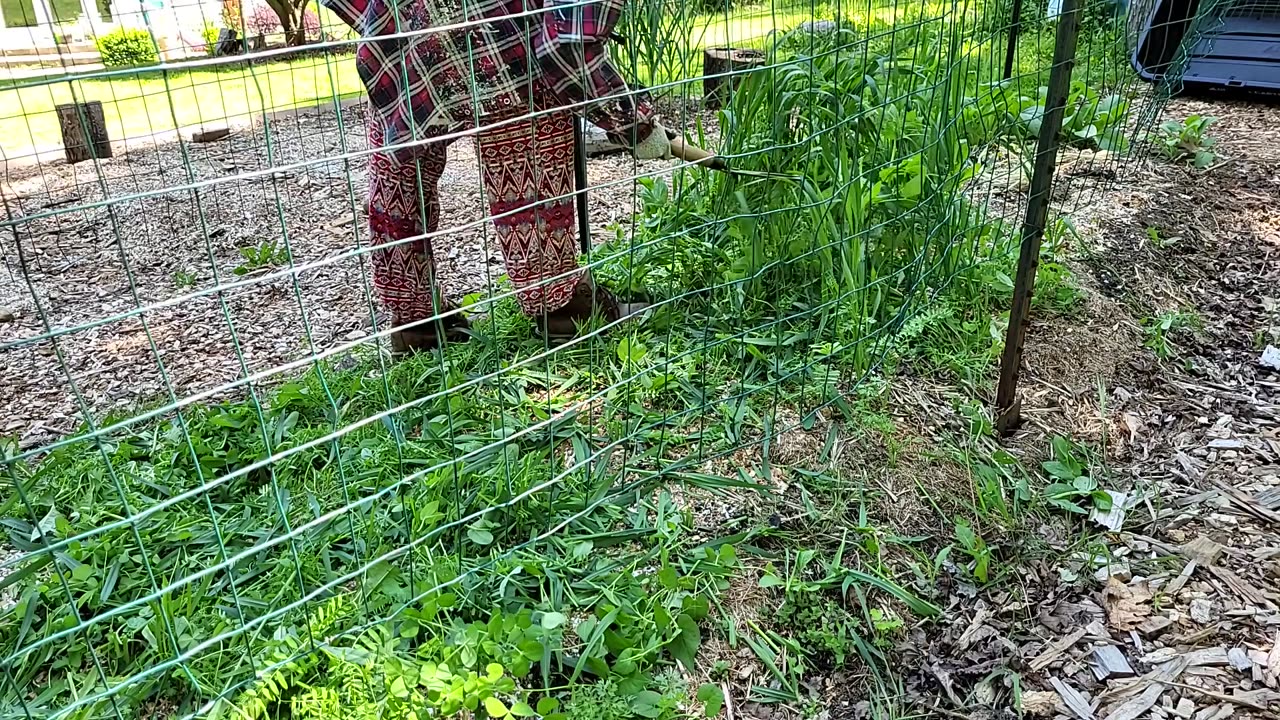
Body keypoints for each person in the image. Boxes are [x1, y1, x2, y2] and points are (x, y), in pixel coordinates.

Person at [318, 0, 673, 353]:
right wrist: (632, 123)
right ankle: (562, 308)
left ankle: (416, 324)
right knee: (525, 150)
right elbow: (566, 45)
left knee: (399, 167)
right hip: (502, 41)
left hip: (401, 31)